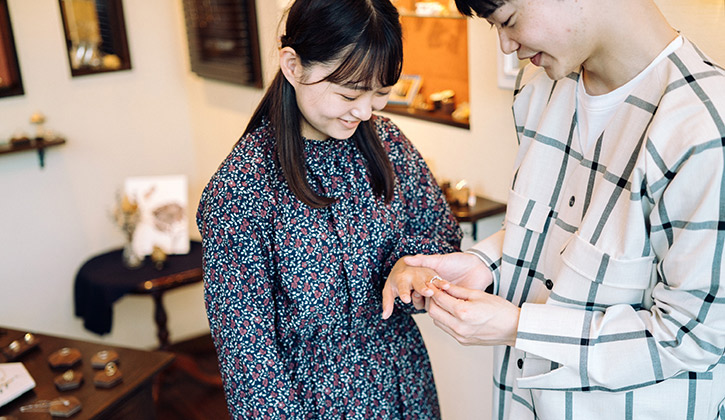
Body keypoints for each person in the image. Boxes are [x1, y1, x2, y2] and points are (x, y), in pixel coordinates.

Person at [382, 0, 725, 419]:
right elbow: (556, 234)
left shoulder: (705, 129)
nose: (507, 46)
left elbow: (691, 337)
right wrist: (484, 264)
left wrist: (519, 326)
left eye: (508, 21)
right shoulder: (538, 87)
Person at [196, 0, 462, 418]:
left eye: (381, 93)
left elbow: (441, 235)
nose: (365, 111)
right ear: (293, 66)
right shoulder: (241, 189)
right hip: (310, 401)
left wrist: (411, 267)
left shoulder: (388, 143)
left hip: (403, 384)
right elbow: (248, 358)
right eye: (349, 93)